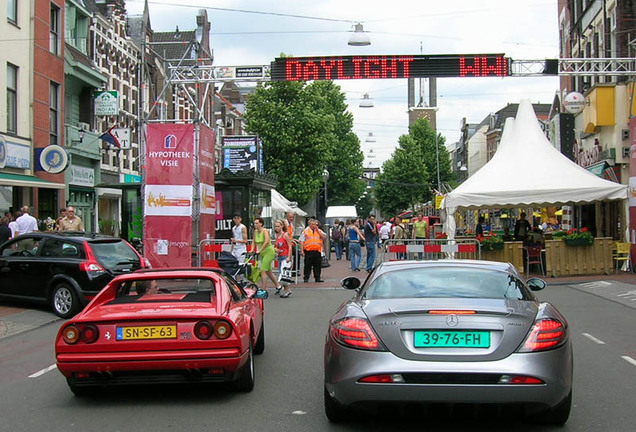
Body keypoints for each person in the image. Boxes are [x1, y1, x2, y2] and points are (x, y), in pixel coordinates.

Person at [252, 217, 278, 292]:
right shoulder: (255, 232)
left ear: (261, 224)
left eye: (257, 223)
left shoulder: (265, 231)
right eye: (254, 223)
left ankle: (263, 289)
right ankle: (278, 285)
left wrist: (260, 250)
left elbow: (266, 241)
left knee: (263, 270)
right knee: (268, 271)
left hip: (268, 251)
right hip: (262, 253)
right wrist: (252, 249)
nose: (255, 225)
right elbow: (253, 242)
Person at [299, 218, 326, 282]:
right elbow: (301, 241)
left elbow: (324, 237)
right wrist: (302, 250)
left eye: (315, 224)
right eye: (312, 224)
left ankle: (317, 277)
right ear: (309, 225)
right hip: (308, 251)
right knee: (307, 265)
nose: (314, 226)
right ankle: (306, 277)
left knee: (317, 265)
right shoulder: (305, 231)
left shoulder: (319, 230)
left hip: (317, 250)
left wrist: (318, 231)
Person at [273, 219, 293, 297]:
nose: (277, 228)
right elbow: (275, 245)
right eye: (275, 226)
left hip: (285, 256)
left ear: (281, 226)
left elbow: (290, 245)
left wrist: (289, 257)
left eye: (278, 226)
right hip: (280, 256)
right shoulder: (277, 236)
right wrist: (275, 249)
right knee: (282, 274)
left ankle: (287, 290)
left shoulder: (285, 235)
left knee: (284, 274)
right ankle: (286, 290)